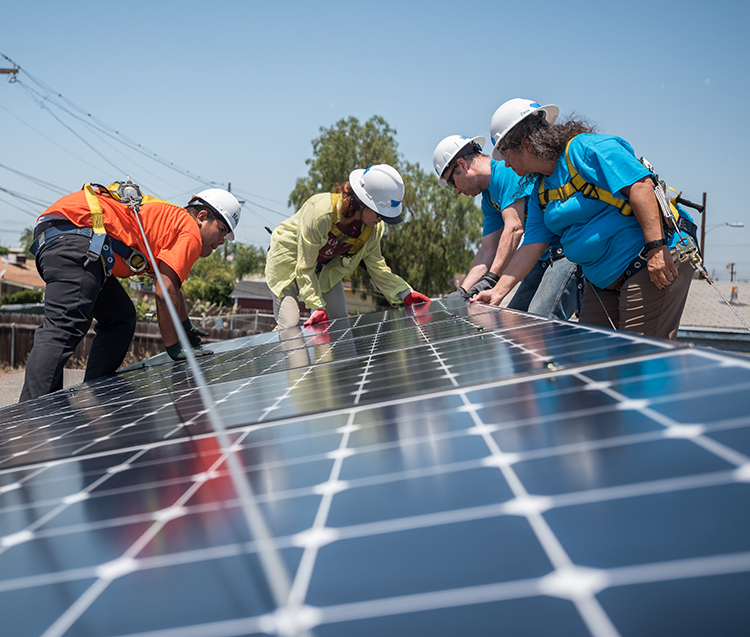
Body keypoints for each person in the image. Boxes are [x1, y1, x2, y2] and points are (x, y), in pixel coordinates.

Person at [474, 98, 694, 339]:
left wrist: (656, 249)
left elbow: (641, 186)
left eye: (505, 152)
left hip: (648, 262)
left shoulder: (584, 150)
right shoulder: (541, 189)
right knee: (592, 357)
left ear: (525, 143)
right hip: (603, 282)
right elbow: (532, 245)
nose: (504, 162)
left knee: (640, 359)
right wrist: (498, 291)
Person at [20, 184, 241, 401]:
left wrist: (186, 327)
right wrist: (175, 349)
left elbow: (173, 288)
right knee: (64, 327)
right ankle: (32, 416)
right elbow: (165, 292)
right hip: (76, 236)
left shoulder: (170, 224)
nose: (221, 241)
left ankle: (96, 393)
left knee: (120, 316)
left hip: (70, 237)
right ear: (202, 217)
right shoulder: (190, 231)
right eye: (221, 230)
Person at [432, 135, 580, 319]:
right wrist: (463, 290)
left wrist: (491, 279)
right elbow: (488, 249)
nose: (456, 190)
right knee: (514, 323)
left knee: (538, 324)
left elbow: (514, 229)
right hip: (539, 258)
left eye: (452, 182)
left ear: (462, 164)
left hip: (565, 252)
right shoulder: (489, 199)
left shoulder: (507, 170)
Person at [265, 164, 429, 329]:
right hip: (289, 262)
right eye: (380, 213)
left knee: (340, 324)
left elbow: (377, 267)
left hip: (322, 269)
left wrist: (405, 293)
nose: (381, 219)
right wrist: (316, 306)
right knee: (289, 324)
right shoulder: (321, 212)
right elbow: (304, 264)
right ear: (363, 202)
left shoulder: (372, 229)